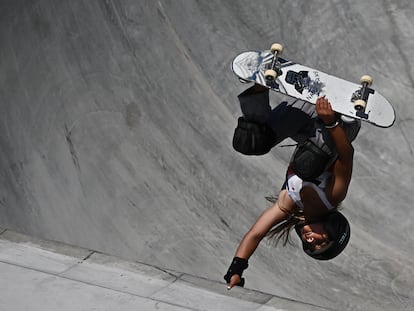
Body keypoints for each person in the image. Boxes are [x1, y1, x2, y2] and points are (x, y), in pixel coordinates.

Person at [224, 85, 360, 289]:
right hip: (338, 127)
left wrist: (236, 270)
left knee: (251, 141)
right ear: (332, 229)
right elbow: (347, 155)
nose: (311, 241)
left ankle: (261, 85)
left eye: (310, 246)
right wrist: (331, 122)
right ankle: (344, 114)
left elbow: (255, 234)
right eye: (321, 242)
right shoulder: (332, 196)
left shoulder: (286, 204)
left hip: (305, 119)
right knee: (308, 165)